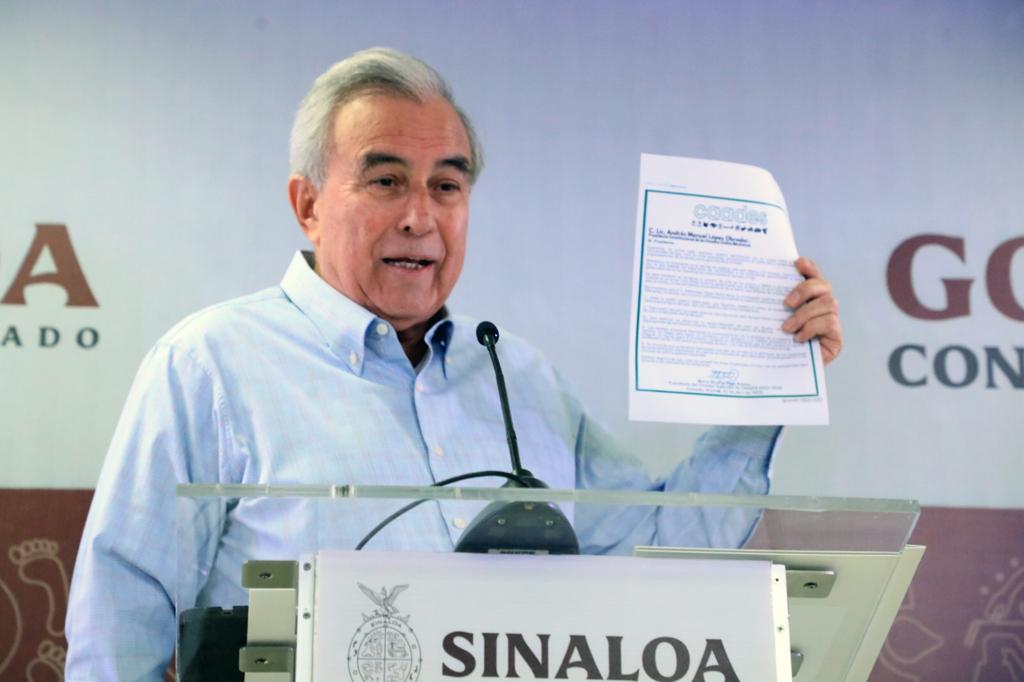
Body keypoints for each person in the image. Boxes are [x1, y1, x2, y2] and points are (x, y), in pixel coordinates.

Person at [65, 47, 842, 680]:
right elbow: (118, 627)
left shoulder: (519, 379)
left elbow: (661, 551)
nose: (420, 216)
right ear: (307, 205)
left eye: (447, 186)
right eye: (386, 181)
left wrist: (766, 378)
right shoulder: (208, 366)